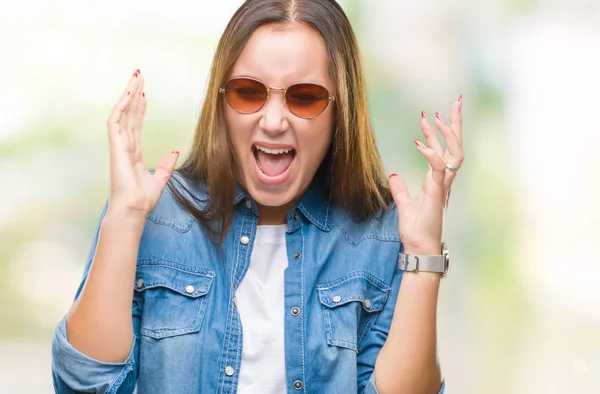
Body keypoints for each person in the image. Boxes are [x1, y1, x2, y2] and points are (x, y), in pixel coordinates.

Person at [51, 0, 463, 393]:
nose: (273, 121)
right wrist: (124, 215)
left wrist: (424, 255)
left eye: (305, 97)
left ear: (342, 111)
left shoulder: (383, 237)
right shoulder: (152, 213)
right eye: (249, 92)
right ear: (222, 100)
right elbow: (84, 385)